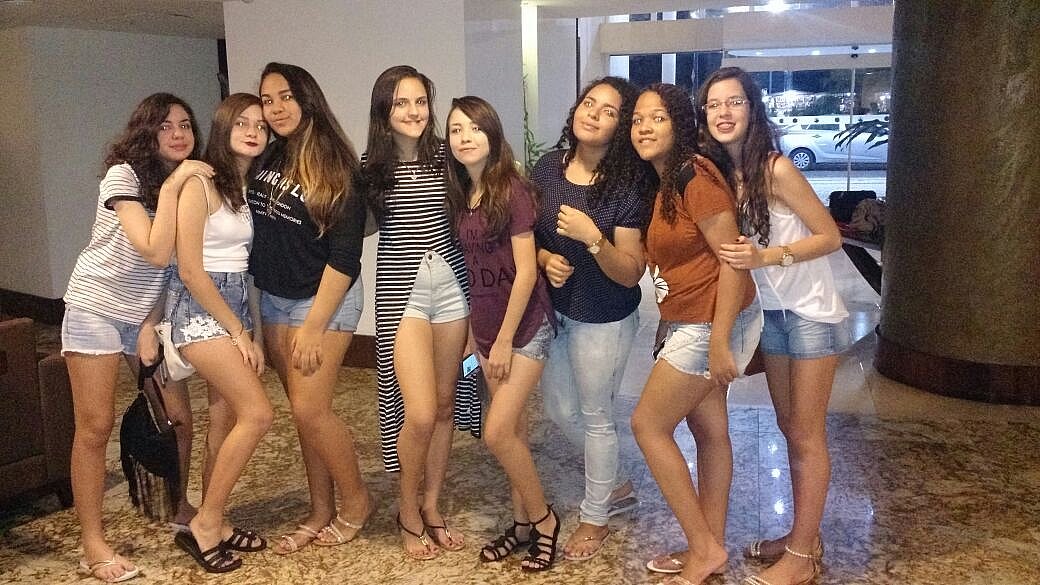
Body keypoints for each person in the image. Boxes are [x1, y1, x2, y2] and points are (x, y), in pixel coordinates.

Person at [62, 93, 213, 582]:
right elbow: (153, 249)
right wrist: (177, 183)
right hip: (95, 308)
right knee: (94, 426)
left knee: (178, 417)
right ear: (146, 133)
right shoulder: (122, 176)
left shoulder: (186, 187)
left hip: (142, 316)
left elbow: (172, 270)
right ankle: (93, 543)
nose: (178, 134)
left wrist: (150, 325)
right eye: (166, 126)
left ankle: (177, 504)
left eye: (185, 125)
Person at [707, 67, 848, 585]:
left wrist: (767, 257)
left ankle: (802, 556)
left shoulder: (776, 169)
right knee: (791, 430)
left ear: (752, 109)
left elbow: (830, 236)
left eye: (734, 102)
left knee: (807, 435)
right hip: (771, 317)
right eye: (713, 105)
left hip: (810, 314)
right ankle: (803, 538)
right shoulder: (724, 177)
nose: (723, 112)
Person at [629, 82, 762, 585]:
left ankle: (704, 549)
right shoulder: (666, 179)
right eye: (638, 119)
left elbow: (733, 261)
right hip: (692, 317)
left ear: (680, 124)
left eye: (657, 118)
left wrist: (721, 339)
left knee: (648, 425)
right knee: (709, 431)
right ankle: (709, 544)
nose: (644, 127)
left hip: (712, 321)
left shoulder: (694, 175)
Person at [247, 62, 372, 555]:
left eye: (286, 97)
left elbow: (345, 258)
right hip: (275, 300)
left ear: (307, 99)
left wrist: (316, 325)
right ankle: (320, 510)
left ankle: (357, 502)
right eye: (267, 99)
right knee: (304, 416)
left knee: (310, 408)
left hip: (324, 300)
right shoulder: (268, 153)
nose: (276, 108)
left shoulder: (337, 164)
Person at [529, 76, 652, 561]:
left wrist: (592, 238)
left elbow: (631, 272)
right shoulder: (548, 168)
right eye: (588, 103)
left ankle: (595, 516)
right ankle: (615, 483)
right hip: (557, 311)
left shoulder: (627, 185)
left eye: (609, 111)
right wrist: (544, 259)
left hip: (605, 317)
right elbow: (527, 235)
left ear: (620, 127)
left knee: (597, 416)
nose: (594, 114)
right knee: (561, 410)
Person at [363, 65, 478, 560]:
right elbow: (349, 229)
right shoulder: (371, 167)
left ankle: (431, 505)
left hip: (453, 289)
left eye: (420, 101)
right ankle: (406, 509)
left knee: (447, 402)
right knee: (421, 411)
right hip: (401, 291)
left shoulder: (448, 156)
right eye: (400, 103)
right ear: (384, 111)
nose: (413, 111)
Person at [443, 96, 559, 571]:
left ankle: (545, 520)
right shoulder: (463, 193)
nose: (465, 137)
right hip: (488, 328)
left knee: (495, 433)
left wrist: (507, 339)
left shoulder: (512, 189)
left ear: (492, 134)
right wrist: (477, 335)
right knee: (513, 432)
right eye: (456, 130)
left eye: (474, 128)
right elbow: (473, 271)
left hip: (525, 327)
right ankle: (522, 525)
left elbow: (527, 272)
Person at [166, 93, 272, 572]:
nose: (253, 132)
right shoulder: (200, 182)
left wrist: (252, 330)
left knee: (224, 423)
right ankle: (205, 523)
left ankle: (217, 518)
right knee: (258, 413)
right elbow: (190, 270)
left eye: (261, 126)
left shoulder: (242, 187)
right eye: (242, 123)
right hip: (199, 310)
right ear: (223, 127)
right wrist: (237, 331)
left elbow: (242, 270)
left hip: (234, 306)